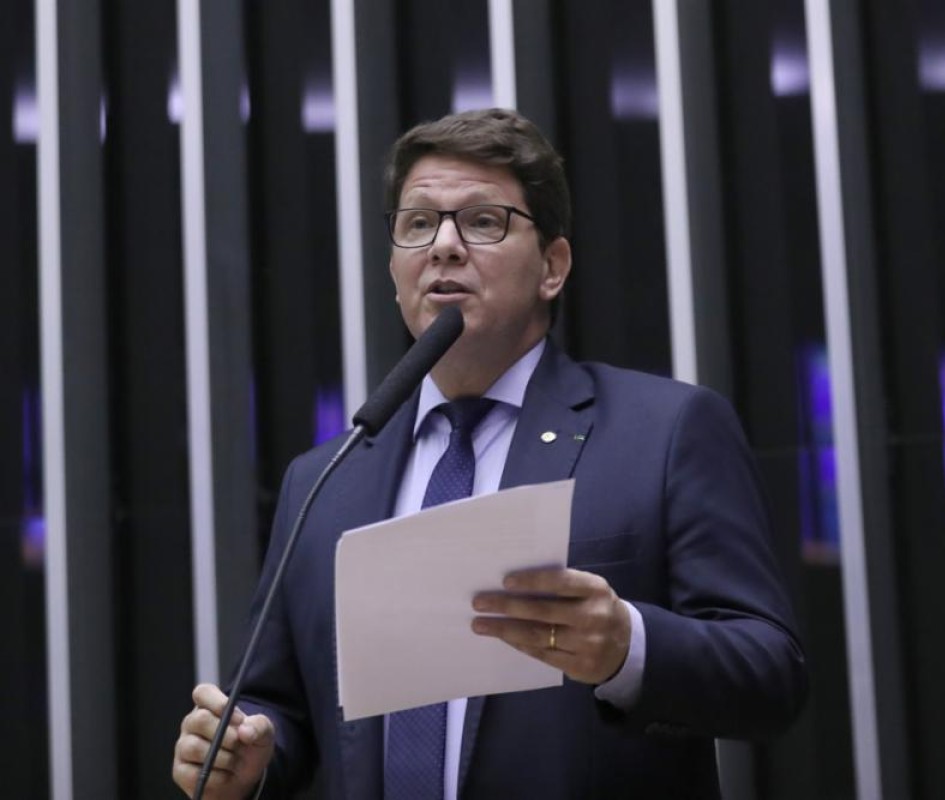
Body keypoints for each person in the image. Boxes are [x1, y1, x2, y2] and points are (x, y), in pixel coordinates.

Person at [172, 107, 807, 799]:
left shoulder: (665, 431)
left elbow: (770, 674)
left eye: (482, 222)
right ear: (393, 269)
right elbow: (282, 708)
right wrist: (247, 758)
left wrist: (628, 646)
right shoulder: (325, 477)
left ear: (552, 267)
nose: (443, 246)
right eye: (419, 223)